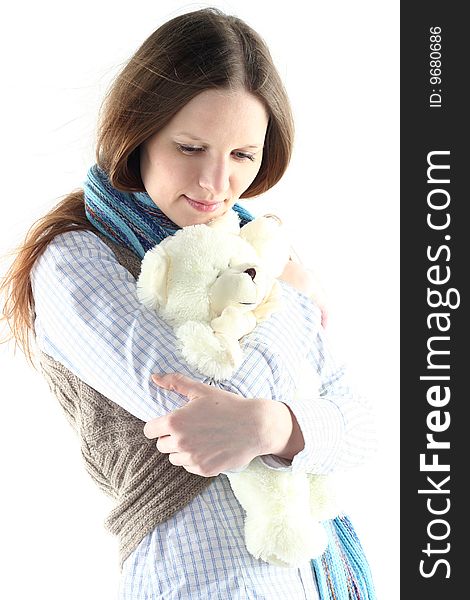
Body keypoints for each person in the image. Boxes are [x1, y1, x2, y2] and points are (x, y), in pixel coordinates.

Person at [0, 7, 376, 599]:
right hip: (198, 580)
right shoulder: (75, 260)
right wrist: (293, 299)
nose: (214, 183)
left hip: (313, 578)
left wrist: (274, 423)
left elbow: (366, 426)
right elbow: (198, 397)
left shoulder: (255, 254)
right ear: (138, 132)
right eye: (190, 147)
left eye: (242, 156)